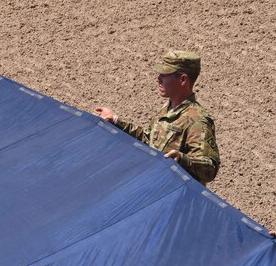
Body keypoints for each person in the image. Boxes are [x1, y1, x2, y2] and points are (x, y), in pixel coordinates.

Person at [94, 50, 220, 185]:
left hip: (177, 196)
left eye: (165, 75)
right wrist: (115, 120)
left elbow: (210, 169)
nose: (158, 78)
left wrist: (182, 159)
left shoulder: (197, 121)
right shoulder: (167, 109)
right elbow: (149, 140)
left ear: (183, 79)